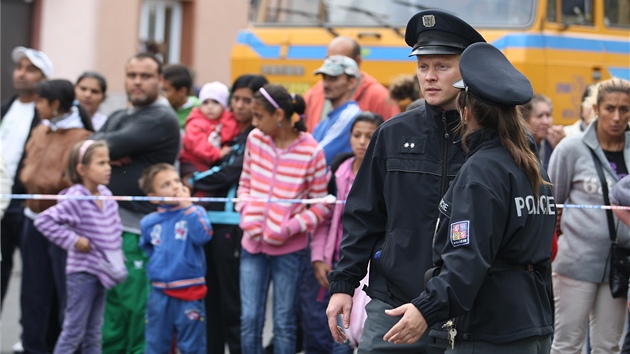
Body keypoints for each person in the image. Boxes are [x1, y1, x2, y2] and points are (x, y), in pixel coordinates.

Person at [325, 10, 485, 353]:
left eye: (442, 66)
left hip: (468, 310)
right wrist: (343, 285)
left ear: (468, 69)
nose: (429, 77)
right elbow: (364, 216)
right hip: (392, 304)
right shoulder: (392, 133)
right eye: (423, 66)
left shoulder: (491, 140)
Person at [380, 41, 555, 353]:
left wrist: (425, 309)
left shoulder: (482, 171)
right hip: (533, 322)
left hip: (492, 328)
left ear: (466, 110)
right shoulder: (527, 163)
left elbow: (466, 259)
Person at [91, 52, 181, 354]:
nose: (137, 82)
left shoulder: (160, 117)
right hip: (109, 227)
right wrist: (108, 151)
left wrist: (108, 152)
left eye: (145, 76)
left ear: (160, 80)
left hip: (139, 229)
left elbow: (102, 147)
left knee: (136, 313)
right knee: (112, 312)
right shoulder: (122, 115)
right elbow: (91, 149)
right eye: (132, 76)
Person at [237, 84, 331, 354]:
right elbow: (244, 183)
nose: (253, 122)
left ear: (278, 114)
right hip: (251, 245)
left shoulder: (311, 151)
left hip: (289, 251)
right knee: (249, 319)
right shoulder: (255, 139)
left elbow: (321, 207)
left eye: (258, 116)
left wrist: (288, 228)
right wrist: (248, 214)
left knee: (284, 322)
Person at [187, 74, 268, 354]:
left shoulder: (254, 136)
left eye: (249, 100)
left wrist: (193, 181)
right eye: (236, 99)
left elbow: (229, 171)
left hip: (232, 224)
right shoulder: (224, 130)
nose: (241, 105)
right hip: (207, 222)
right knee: (209, 300)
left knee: (232, 302)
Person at [548, 77, 630, 354]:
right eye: (609, 108)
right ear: (596, 109)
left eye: (624, 109)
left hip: (620, 267)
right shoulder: (571, 149)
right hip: (575, 265)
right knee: (567, 345)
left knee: (609, 347)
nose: (617, 117)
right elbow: (551, 205)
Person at [20, 79, 95, 353]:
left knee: (66, 295)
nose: (37, 106)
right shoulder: (40, 130)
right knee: (33, 293)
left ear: (55, 104)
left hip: (63, 224)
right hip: (32, 218)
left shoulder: (81, 138)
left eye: (41, 101)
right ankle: (33, 347)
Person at [34, 139, 125, 353]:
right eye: (100, 163)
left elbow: (114, 228)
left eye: (108, 162)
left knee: (94, 332)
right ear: (81, 169)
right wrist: (73, 240)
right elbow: (43, 221)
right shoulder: (76, 197)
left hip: (102, 271)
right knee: (74, 331)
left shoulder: (106, 194)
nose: (108, 168)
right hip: (83, 274)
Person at [309, 112, 383, 353]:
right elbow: (325, 219)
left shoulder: (384, 173)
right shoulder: (337, 173)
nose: (362, 141)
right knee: (333, 327)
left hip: (367, 266)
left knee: (359, 326)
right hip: (336, 261)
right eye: (357, 135)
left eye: (369, 136)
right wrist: (319, 256)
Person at [138, 163, 213, 353]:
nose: (174, 187)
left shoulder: (195, 213)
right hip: (159, 294)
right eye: (165, 185)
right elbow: (147, 248)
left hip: (190, 292)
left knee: (192, 346)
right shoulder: (149, 223)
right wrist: (159, 268)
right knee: (156, 343)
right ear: (153, 198)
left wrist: (188, 207)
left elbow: (203, 236)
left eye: (177, 181)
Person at [0, 46, 50, 311]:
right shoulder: (5, 109)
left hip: (25, 204)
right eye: (20, 67)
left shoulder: (45, 118)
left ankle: (29, 339)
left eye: (31, 70)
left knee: (33, 276)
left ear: (43, 77)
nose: (22, 74)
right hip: (1, 203)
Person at [304, 36, 400, 132]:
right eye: (328, 60)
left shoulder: (381, 98)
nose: (326, 84)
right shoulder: (313, 95)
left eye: (334, 76)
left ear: (357, 62)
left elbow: (394, 135)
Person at [179, 81, 239, 176]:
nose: (210, 107)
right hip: (192, 162)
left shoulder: (225, 120)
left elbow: (230, 135)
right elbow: (198, 145)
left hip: (209, 163)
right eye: (205, 103)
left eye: (215, 102)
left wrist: (227, 117)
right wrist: (217, 153)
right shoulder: (196, 122)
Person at [311, 55, 362, 165]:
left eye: (333, 78)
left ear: (351, 82)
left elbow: (315, 156)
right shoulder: (329, 119)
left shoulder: (349, 116)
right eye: (324, 78)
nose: (326, 84)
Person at [519, 94, 565, 171]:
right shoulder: (518, 148)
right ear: (525, 120)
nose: (546, 122)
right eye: (539, 116)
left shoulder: (552, 145)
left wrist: (562, 146)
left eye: (548, 115)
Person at [162, 63, 200, 128]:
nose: (163, 95)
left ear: (182, 91)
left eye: (166, 90)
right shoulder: (162, 109)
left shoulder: (201, 109)